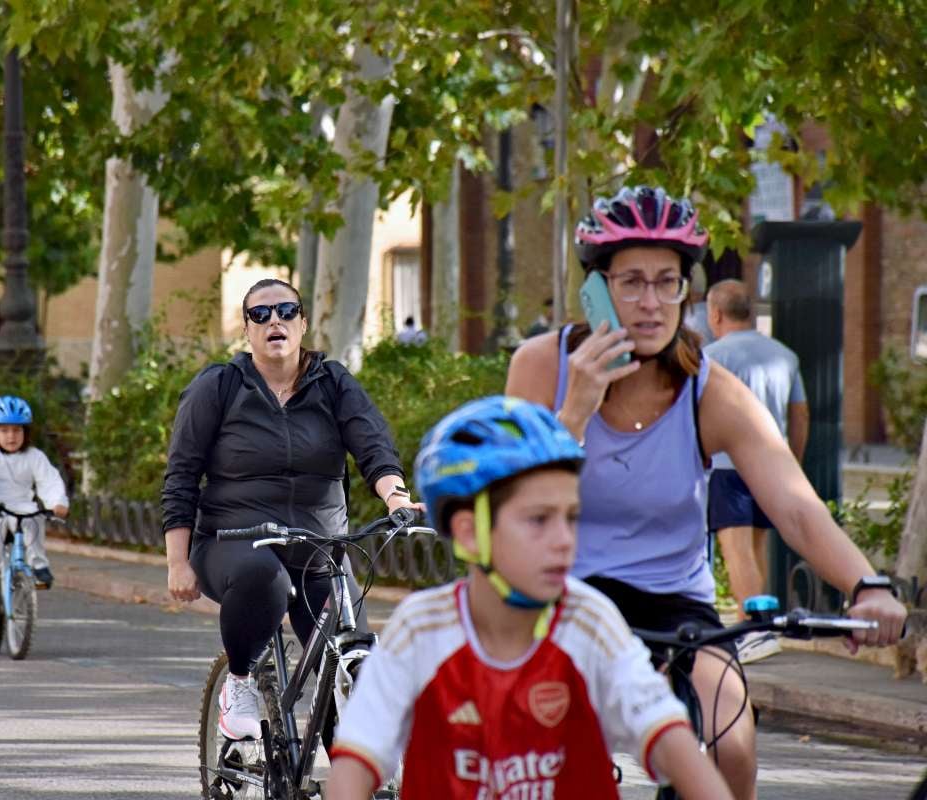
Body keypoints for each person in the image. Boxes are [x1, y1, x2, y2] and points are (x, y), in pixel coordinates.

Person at [505, 185, 905, 800]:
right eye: (631, 282)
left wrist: (867, 585)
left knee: (731, 745)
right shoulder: (543, 365)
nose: (651, 301)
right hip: (564, 599)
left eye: (668, 282)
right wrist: (576, 411)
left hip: (676, 607)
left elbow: (794, 503)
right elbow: (512, 504)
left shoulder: (708, 390)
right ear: (596, 291)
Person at [327, 397, 732, 800]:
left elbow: (669, 738)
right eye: (539, 519)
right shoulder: (420, 630)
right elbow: (355, 764)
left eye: (572, 517)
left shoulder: (587, 621)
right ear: (469, 532)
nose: (564, 540)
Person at [162, 278, 416, 742]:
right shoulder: (218, 387)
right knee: (265, 578)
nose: (273, 320)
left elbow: (373, 445)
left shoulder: (334, 383)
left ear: (302, 323)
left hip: (319, 551)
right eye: (260, 314)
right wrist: (177, 561)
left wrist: (395, 495)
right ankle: (239, 682)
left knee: (353, 675)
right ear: (247, 330)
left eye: (284, 311)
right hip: (233, 545)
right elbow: (181, 476)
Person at [704, 279, 809, 663]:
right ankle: (759, 620)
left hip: (727, 465)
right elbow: (800, 413)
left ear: (715, 314)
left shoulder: (710, 356)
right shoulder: (785, 355)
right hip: (773, 462)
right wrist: (791, 461)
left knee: (735, 549)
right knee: (757, 546)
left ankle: (754, 628)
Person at [0, 396, 68, 641]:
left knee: (35, 518)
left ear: (26, 432)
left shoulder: (34, 456)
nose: (11, 436)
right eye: (4, 430)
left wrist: (57, 503)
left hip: (21, 507)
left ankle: (39, 565)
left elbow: (49, 481)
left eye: (17, 430)